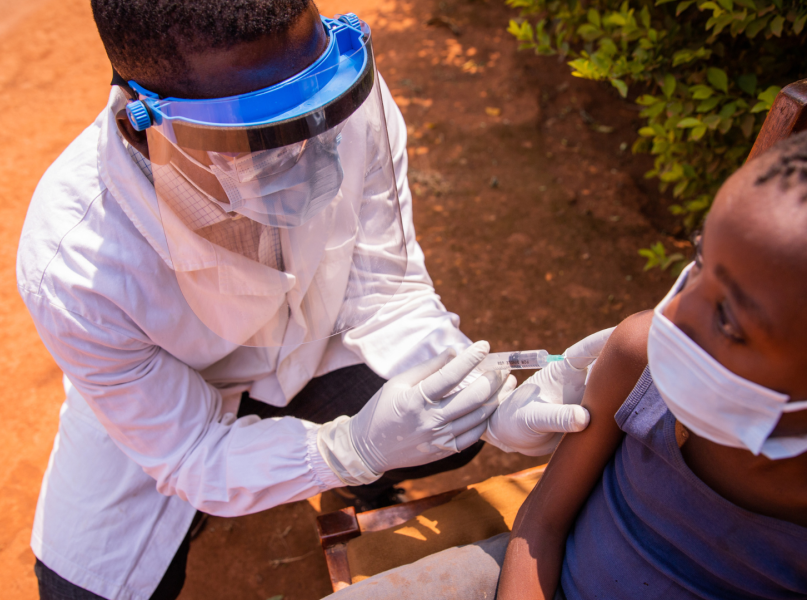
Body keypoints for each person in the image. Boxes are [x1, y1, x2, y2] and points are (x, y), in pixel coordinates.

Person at [17, 2, 612, 599]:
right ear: (138, 122)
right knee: (86, 591)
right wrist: (351, 447)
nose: (309, 148)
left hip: (308, 349)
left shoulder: (345, 106)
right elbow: (186, 450)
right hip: (167, 403)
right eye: (258, 135)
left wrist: (492, 405)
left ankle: (365, 486)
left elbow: (390, 291)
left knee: (446, 430)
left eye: (312, 108)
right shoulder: (74, 266)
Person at [326, 133, 807, 600]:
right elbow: (543, 521)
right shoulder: (638, 354)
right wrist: (346, 451)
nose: (674, 315)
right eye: (701, 259)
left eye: (728, 318)